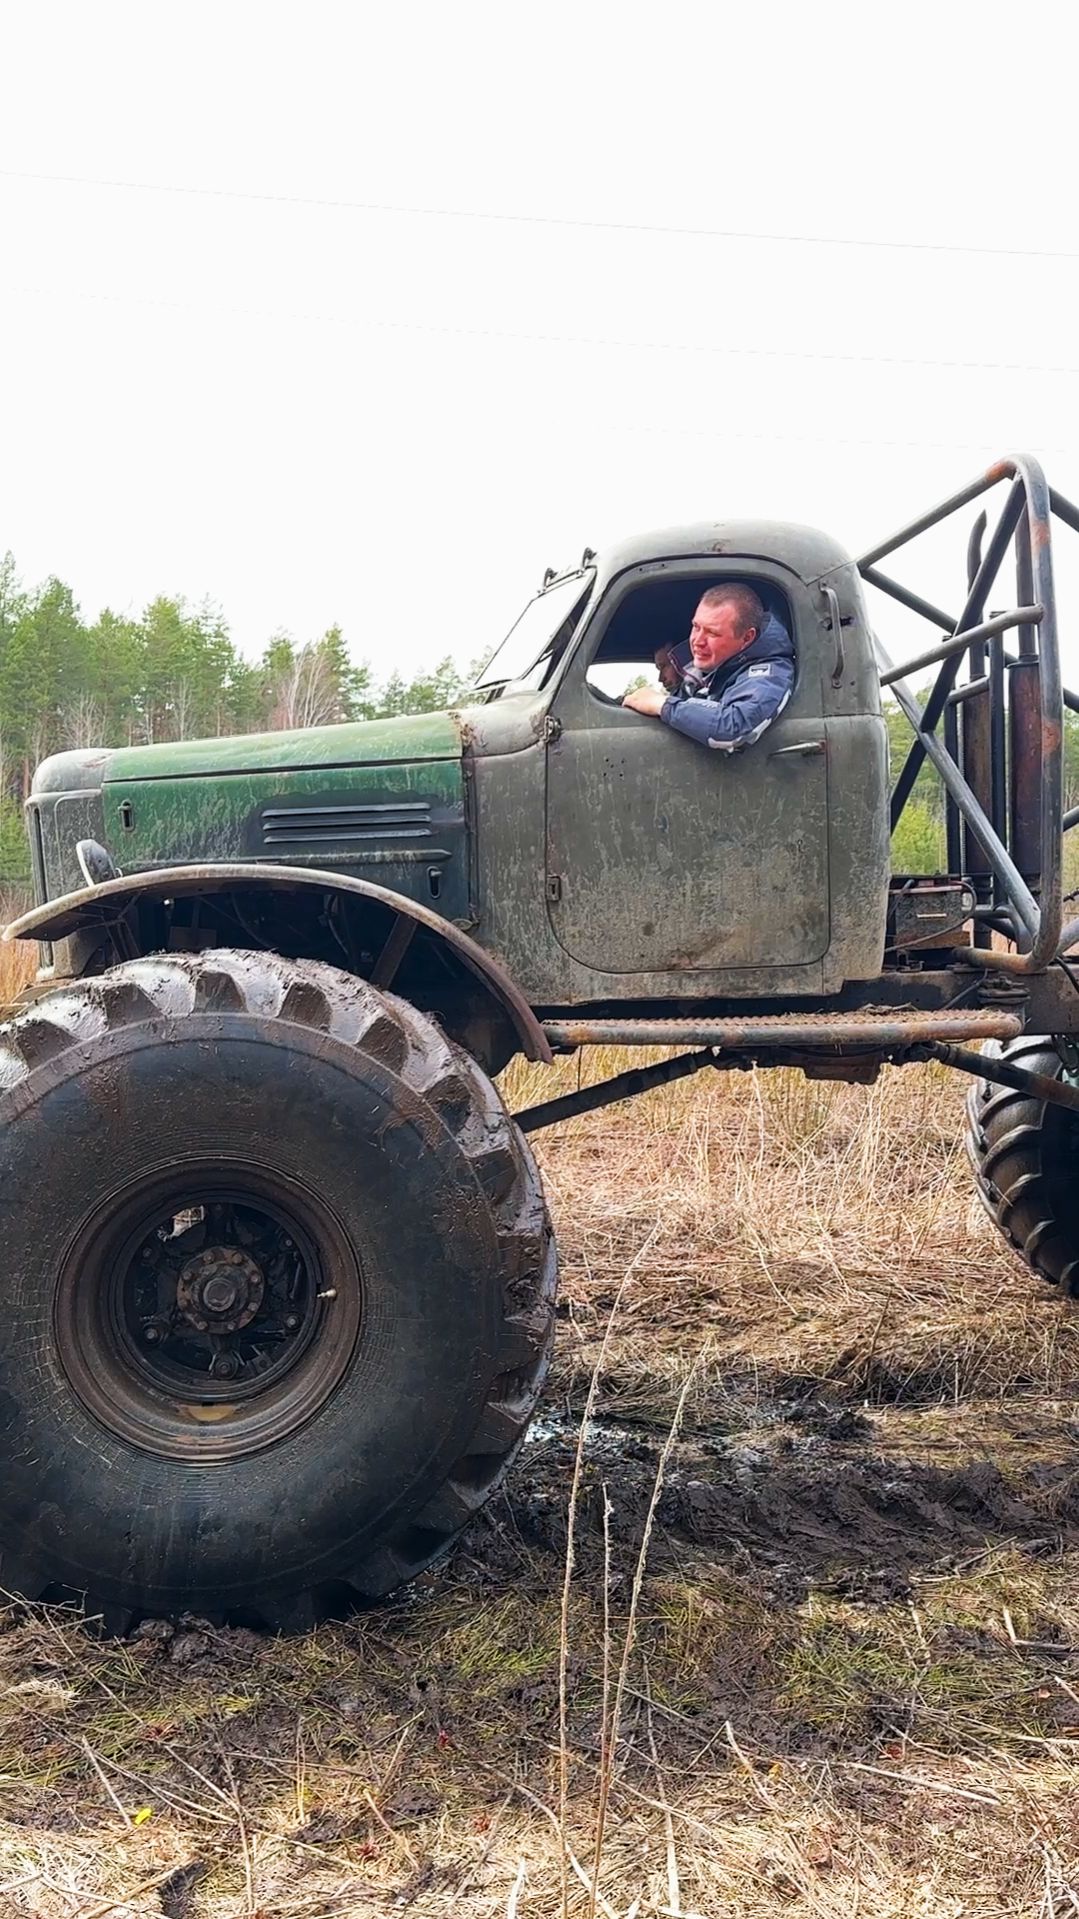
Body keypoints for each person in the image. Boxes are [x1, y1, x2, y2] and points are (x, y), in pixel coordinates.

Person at [625, 584, 795, 751]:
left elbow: (732, 727)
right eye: (696, 627)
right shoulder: (716, 669)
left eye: (712, 633)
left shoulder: (771, 673)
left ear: (747, 638)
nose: (697, 641)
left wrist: (662, 704)